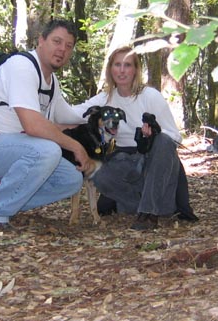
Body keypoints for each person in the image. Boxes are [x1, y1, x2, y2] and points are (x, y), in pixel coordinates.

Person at [0, 19, 94, 231]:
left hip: (11, 149)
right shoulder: (21, 65)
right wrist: (76, 146)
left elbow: (70, 116)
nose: (62, 50)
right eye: (57, 41)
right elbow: (33, 126)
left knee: (71, 179)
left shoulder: (52, 83)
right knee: (48, 150)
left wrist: (106, 106)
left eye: (68, 46)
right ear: (41, 40)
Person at [74, 46, 198, 230]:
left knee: (164, 141)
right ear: (110, 69)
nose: (122, 70)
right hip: (126, 162)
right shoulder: (105, 99)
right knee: (95, 170)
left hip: (155, 160)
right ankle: (146, 205)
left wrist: (153, 136)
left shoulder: (150, 96)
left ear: (136, 70)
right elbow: (73, 114)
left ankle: (149, 212)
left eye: (127, 65)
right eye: (117, 65)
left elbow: (175, 137)